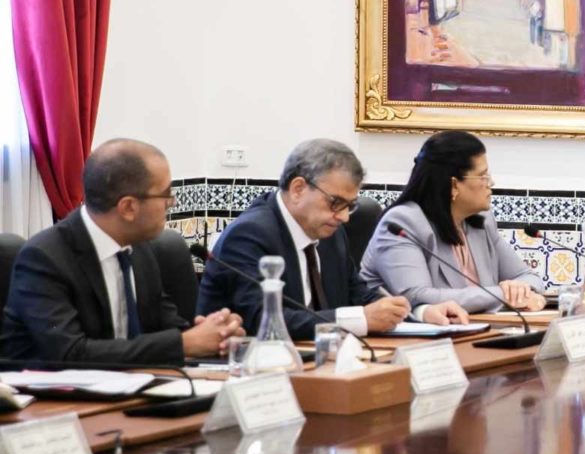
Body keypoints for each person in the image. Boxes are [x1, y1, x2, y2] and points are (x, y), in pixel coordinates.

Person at [1, 140, 242, 365]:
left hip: (132, 386)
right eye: (165, 196)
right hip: (50, 394)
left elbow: (165, 327)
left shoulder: (139, 248)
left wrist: (214, 334)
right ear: (128, 207)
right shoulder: (45, 258)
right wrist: (185, 344)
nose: (172, 203)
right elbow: (70, 353)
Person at [196, 139, 467, 339]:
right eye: (336, 203)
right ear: (298, 188)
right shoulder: (250, 235)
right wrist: (360, 319)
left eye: (350, 205)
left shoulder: (329, 232)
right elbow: (262, 320)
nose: (345, 217)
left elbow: (360, 295)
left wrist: (421, 312)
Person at [360, 131, 546, 314]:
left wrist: (519, 290)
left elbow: (528, 277)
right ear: (454, 184)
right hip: (403, 332)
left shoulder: (482, 222)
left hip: (474, 328)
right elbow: (416, 295)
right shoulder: (403, 223)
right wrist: (503, 294)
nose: (491, 182)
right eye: (482, 176)